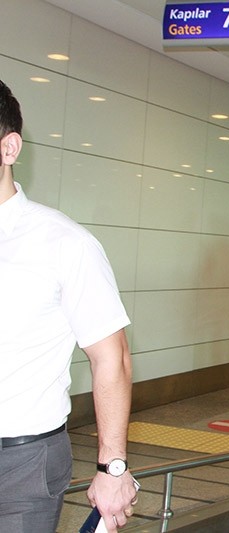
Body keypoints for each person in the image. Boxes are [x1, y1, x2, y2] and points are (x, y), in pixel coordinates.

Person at [0, 80, 137, 531]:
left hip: (20, 464)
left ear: (9, 147)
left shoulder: (64, 244)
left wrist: (112, 468)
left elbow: (111, 357)